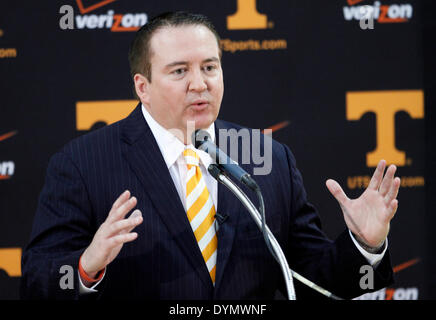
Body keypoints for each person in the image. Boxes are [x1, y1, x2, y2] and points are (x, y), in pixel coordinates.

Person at [20, 11, 400, 300]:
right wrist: (86, 267)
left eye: (209, 67)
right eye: (179, 71)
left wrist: (364, 245)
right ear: (143, 86)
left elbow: (312, 279)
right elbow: (37, 280)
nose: (199, 84)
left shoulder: (268, 159)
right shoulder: (83, 163)